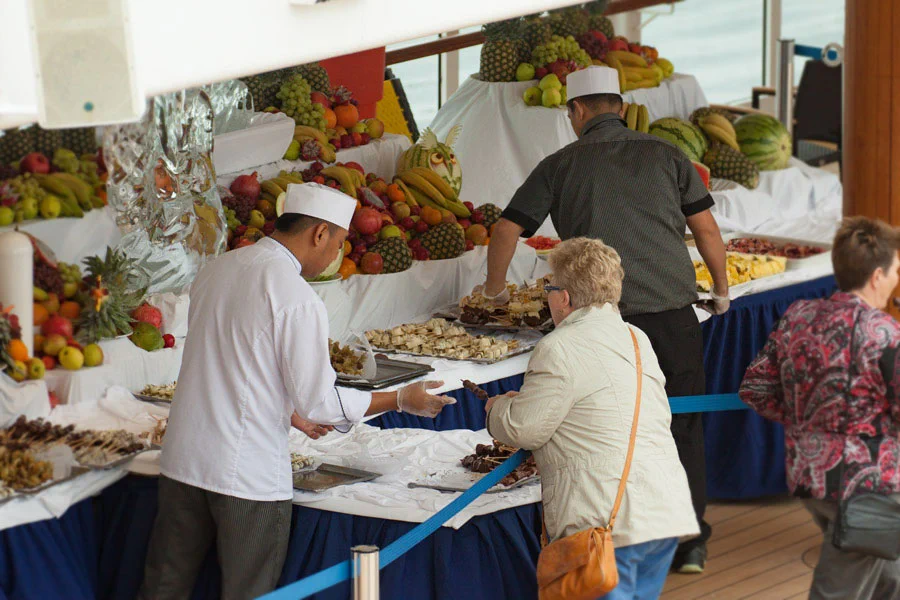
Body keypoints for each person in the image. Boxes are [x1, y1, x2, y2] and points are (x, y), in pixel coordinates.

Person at [139, 183, 455, 600]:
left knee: (164, 586)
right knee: (249, 591)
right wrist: (400, 399)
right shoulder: (296, 296)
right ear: (319, 234)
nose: (335, 255)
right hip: (243, 471)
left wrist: (287, 410)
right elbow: (319, 401)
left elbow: (231, 360)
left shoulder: (218, 269)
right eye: (339, 243)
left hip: (184, 457)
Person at [476, 65, 728, 572]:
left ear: (577, 111)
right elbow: (706, 230)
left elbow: (505, 231)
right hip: (672, 319)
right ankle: (689, 544)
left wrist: (495, 292)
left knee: (605, 435)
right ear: (619, 104)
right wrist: (720, 291)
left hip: (600, 326)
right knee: (682, 428)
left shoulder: (560, 163)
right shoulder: (666, 153)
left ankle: (611, 544)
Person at [486, 237, 698, 599]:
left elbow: (525, 429)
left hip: (606, 522)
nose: (547, 296)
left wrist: (497, 410)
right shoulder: (635, 337)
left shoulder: (558, 346)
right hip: (662, 510)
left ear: (564, 298)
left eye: (549, 287)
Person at [739, 216, 900, 600]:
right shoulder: (885, 333)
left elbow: (755, 388)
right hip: (868, 486)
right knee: (838, 591)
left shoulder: (797, 316)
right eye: (896, 270)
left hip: (810, 477)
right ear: (877, 275)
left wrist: (807, 422)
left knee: (889, 579)